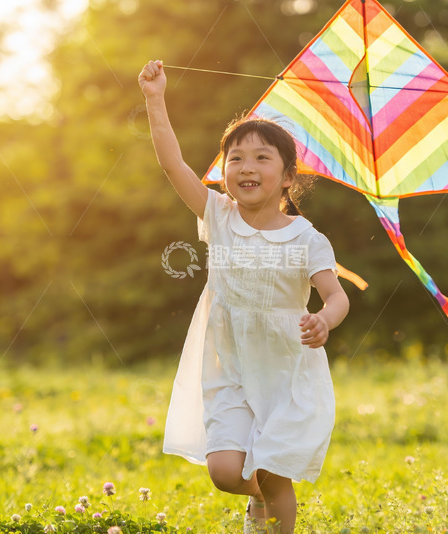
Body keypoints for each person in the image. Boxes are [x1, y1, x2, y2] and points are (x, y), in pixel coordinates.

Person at [139, 59, 350, 534]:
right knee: (225, 472)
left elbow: (336, 296)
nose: (246, 167)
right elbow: (172, 165)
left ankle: (274, 511)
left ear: (288, 176)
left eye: (261, 157)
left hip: (286, 370)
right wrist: (155, 99)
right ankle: (262, 497)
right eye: (235, 158)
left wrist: (325, 320)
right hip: (230, 364)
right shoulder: (218, 215)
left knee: (275, 472)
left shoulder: (306, 238)